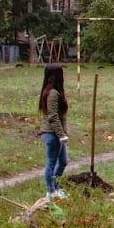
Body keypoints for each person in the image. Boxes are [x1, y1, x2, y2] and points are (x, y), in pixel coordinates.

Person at [37, 63, 70, 200]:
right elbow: (53, 116)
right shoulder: (52, 94)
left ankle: (56, 187)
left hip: (55, 134)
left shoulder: (52, 92)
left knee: (63, 161)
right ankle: (51, 191)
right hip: (52, 134)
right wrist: (61, 135)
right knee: (51, 162)